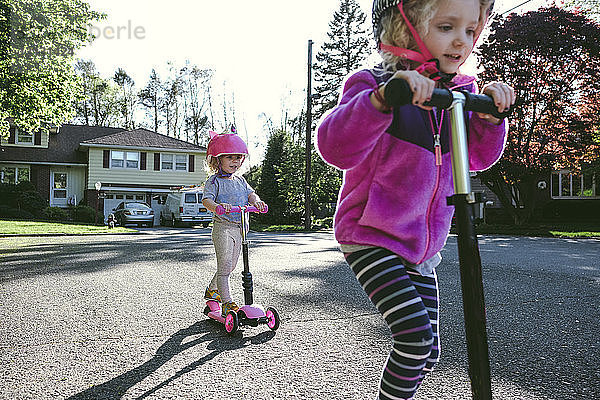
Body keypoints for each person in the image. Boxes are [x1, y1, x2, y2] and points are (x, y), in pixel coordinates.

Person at [317, 0, 515, 399]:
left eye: (470, 31)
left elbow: (476, 158)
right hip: (370, 235)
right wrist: (384, 102)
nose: (461, 41)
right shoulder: (373, 85)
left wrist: (491, 119)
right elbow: (335, 148)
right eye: (446, 27)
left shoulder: (461, 94)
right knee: (414, 339)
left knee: (428, 353)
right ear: (406, 28)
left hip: (422, 247)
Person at [201, 126, 267, 317]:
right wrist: (218, 206)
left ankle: (212, 290)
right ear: (217, 159)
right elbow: (207, 200)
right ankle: (227, 302)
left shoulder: (240, 180)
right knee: (225, 266)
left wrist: (258, 202)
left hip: (240, 228)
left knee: (231, 266)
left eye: (238, 157)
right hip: (223, 227)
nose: (235, 161)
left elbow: (251, 194)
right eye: (230, 157)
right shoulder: (214, 182)